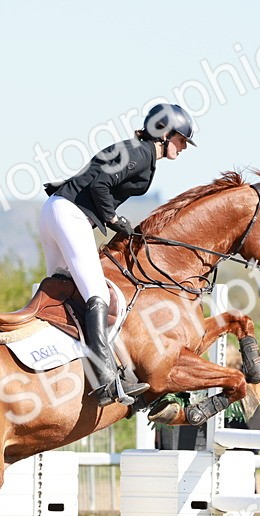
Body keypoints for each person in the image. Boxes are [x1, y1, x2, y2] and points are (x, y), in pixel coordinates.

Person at [40, 103, 196, 407]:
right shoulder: (140, 153)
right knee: (96, 294)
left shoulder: (138, 151)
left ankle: (53, 361)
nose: (184, 146)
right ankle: (105, 380)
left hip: (56, 212)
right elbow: (101, 184)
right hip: (70, 215)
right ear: (164, 133)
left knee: (63, 292)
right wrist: (112, 219)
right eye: (181, 139)